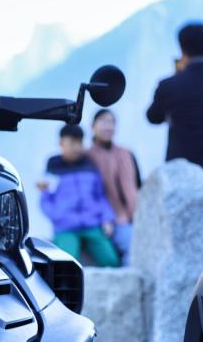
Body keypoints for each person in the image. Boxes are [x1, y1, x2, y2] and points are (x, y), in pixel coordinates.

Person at [146, 22, 203, 181]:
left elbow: (153, 117)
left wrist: (176, 76)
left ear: (182, 50)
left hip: (181, 170)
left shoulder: (168, 85)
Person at [36, 124, 119, 267]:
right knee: (66, 264)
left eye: (79, 143)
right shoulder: (53, 166)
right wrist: (58, 216)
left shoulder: (90, 165)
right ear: (61, 143)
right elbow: (45, 200)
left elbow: (100, 196)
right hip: (66, 227)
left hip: (92, 225)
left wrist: (107, 219)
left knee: (111, 260)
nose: (76, 147)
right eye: (72, 143)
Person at [87, 108, 141, 265]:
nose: (108, 126)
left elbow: (138, 184)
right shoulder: (86, 156)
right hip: (102, 220)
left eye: (111, 122)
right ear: (93, 126)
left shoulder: (127, 153)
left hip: (129, 216)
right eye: (103, 121)